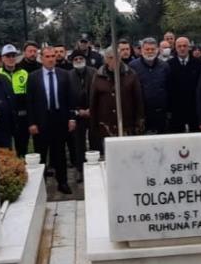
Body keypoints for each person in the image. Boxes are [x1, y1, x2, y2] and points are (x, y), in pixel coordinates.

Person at [27, 46, 78, 194]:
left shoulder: (64, 75)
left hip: (60, 118)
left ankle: (62, 182)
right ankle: (40, 186)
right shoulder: (33, 77)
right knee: (41, 153)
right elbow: (29, 102)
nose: (50, 59)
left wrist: (72, 118)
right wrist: (32, 122)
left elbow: (70, 99)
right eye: (47, 56)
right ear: (41, 58)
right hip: (41, 120)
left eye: (53, 56)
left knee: (60, 153)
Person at [89, 47, 145, 151]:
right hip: (106, 126)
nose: (114, 61)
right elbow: (93, 102)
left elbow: (138, 100)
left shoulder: (131, 74)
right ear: (105, 59)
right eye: (111, 58)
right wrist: (94, 126)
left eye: (117, 57)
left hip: (127, 126)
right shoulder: (98, 76)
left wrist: (139, 123)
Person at [130, 37, 170, 134]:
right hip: (141, 114)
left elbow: (169, 89)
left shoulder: (164, 66)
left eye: (152, 49)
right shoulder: (133, 66)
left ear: (157, 50)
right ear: (142, 50)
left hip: (160, 114)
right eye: (147, 49)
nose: (150, 52)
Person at [0, 44, 31, 158]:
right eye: (8, 56)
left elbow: (29, 95)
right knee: (6, 148)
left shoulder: (24, 73)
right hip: (5, 116)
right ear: (2, 58)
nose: (11, 58)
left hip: (21, 116)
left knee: (22, 147)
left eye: (13, 55)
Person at [69, 52, 96, 181]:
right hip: (77, 115)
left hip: (93, 113)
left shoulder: (94, 72)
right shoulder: (68, 76)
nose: (79, 60)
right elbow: (66, 97)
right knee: (78, 144)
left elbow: (98, 92)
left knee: (95, 141)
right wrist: (77, 111)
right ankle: (80, 169)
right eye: (76, 59)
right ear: (72, 61)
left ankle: (96, 167)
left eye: (81, 58)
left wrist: (91, 109)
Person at [167, 36, 201, 133]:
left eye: (184, 46)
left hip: (194, 108)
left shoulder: (198, 64)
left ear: (189, 47)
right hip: (176, 109)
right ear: (175, 47)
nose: (182, 48)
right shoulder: (168, 65)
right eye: (179, 46)